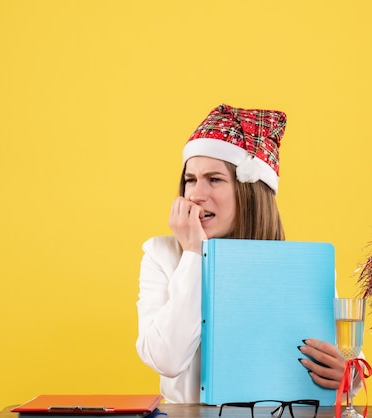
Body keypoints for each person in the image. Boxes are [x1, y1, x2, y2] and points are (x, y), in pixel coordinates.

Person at [135, 104, 349, 403]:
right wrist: (194, 254)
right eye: (190, 179)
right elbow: (167, 359)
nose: (196, 194)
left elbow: (349, 367)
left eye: (215, 179)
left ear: (249, 190)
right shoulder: (162, 254)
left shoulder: (302, 268)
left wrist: (346, 375)